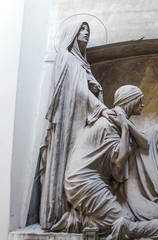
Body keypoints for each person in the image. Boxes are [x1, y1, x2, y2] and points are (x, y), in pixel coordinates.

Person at [40, 21, 114, 229]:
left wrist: (96, 89)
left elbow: (85, 90)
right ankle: (61, 211)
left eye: (88, 30)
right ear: (71, 33)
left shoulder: (82, 64)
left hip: (81, 118)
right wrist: (102, 109)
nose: (86, 33)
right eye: (82, 29)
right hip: (70, 122)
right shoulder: (67, 58)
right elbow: (78, 93)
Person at [51, 85, 148, 235]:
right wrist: (125, 129)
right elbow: (119, 162)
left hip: (93, 181)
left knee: (130, 218)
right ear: (130, 101)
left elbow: (145, 143)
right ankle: (73, 222)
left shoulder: (117, 121)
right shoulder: (109, 125)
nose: (142, 104)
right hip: (84, 182)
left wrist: (126, 126)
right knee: (123, 222)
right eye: (139, 100)